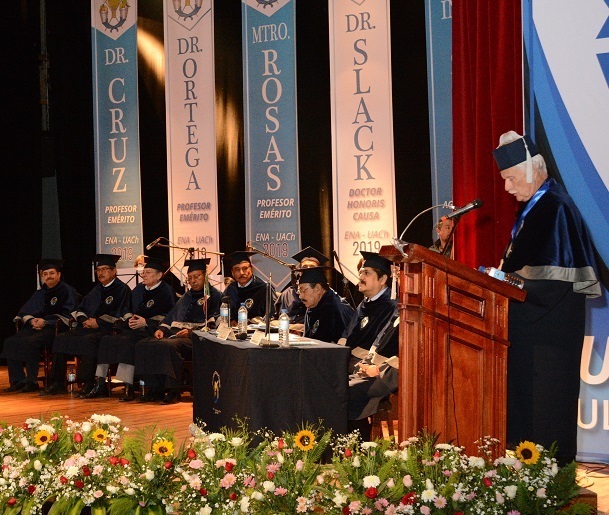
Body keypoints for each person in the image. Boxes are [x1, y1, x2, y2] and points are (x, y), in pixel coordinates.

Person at [492, 130, 600, 465]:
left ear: (531, 169)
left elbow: (553, 282)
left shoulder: (555, 208)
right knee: (529, 419)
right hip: (530, 334)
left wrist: (504, 279)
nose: (508, 188)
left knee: (547, 415)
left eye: (510, 179)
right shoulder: (535, 207)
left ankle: (550, 489)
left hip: (548, 339)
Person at [83, 256, 176, 400]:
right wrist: (130, 319)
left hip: (151, 330)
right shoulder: (138, 289)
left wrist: (146, 322)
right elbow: (127, 309)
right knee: (106, 340)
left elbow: (169, 316)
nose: (143, 275)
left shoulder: (166, 291)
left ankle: (128, 386)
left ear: (159, 275)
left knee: (128, 342)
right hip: (133, 328)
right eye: (143, 272)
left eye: (148, 272)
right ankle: (100, 383)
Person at [39, 254, 131, 396]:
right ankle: (57, 382)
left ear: (114, 271)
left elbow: (122, 314)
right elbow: (80, 309)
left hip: (108, 329)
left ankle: (88, 382)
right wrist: (84, 321)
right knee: (61, 338)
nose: (101, 273)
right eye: (98, 270)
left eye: (105, 269)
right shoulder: (97, 289)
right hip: (88, 327)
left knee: (89, 341)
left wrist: (98, 322)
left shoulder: (122, 289)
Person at [133, 258, 221, 404]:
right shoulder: (187, 296)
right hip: (177, 335)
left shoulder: (215, 295)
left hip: (197, 338)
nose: (193, 281)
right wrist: (161, 328)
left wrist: (191, 332)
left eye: (196, 277)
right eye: (190, 278)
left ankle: (173, 391)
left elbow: (216, 323)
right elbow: (171, 315)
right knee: (144, 344)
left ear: (205, 276)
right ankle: (154, 389)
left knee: (169, 346)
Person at [1, 259, 80, 393]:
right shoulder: (41, 292)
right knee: (11, 341)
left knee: (31, 342)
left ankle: (32, 381)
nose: (48, 276)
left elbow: (70, 316)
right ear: (42, 276)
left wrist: (47, 322)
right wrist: (32, 321)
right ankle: (18, 380)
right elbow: (25, 311)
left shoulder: (67, 291)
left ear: (59, 274)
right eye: (45, 274)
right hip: (37, 327)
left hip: (55, 329)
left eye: (52, 273)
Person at [348, 309, 400, 442]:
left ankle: (360, 447)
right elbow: (378, 343)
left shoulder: (413, 315)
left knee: (347, 392)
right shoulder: (398, 311)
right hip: (376, 369)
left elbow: (406, 356)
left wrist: (378, 369)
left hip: (391, 375)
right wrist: (366, 364)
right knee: (340, 386)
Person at [342, 251, 397, 373]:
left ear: (382, 279)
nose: (360, 277)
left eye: (366, 273)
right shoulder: (366, 302)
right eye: (361, 272)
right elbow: (349, 334)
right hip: (352, 359)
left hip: (371, 365)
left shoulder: (392, 306)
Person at [296, 266, 355, 343]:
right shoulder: (313, 305)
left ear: (318, 288)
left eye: (303, 290)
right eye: (299, 291)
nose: (301, 296)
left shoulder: (336, 309)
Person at [275, 246, 330, 324]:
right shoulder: (287, 294)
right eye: (304, 267)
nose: (307, 269)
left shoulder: (324, 294)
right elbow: (273, 318)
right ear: (299, 270)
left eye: (312, 267)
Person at [223, 250, 277, 323]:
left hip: (257, 332)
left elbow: (273, 315)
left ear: (251, 269)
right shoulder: (230, 289)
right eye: (237, 270)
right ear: (232, 273)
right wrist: (231, 320)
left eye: (245, 268)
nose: (241, 273)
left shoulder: (264, 287)